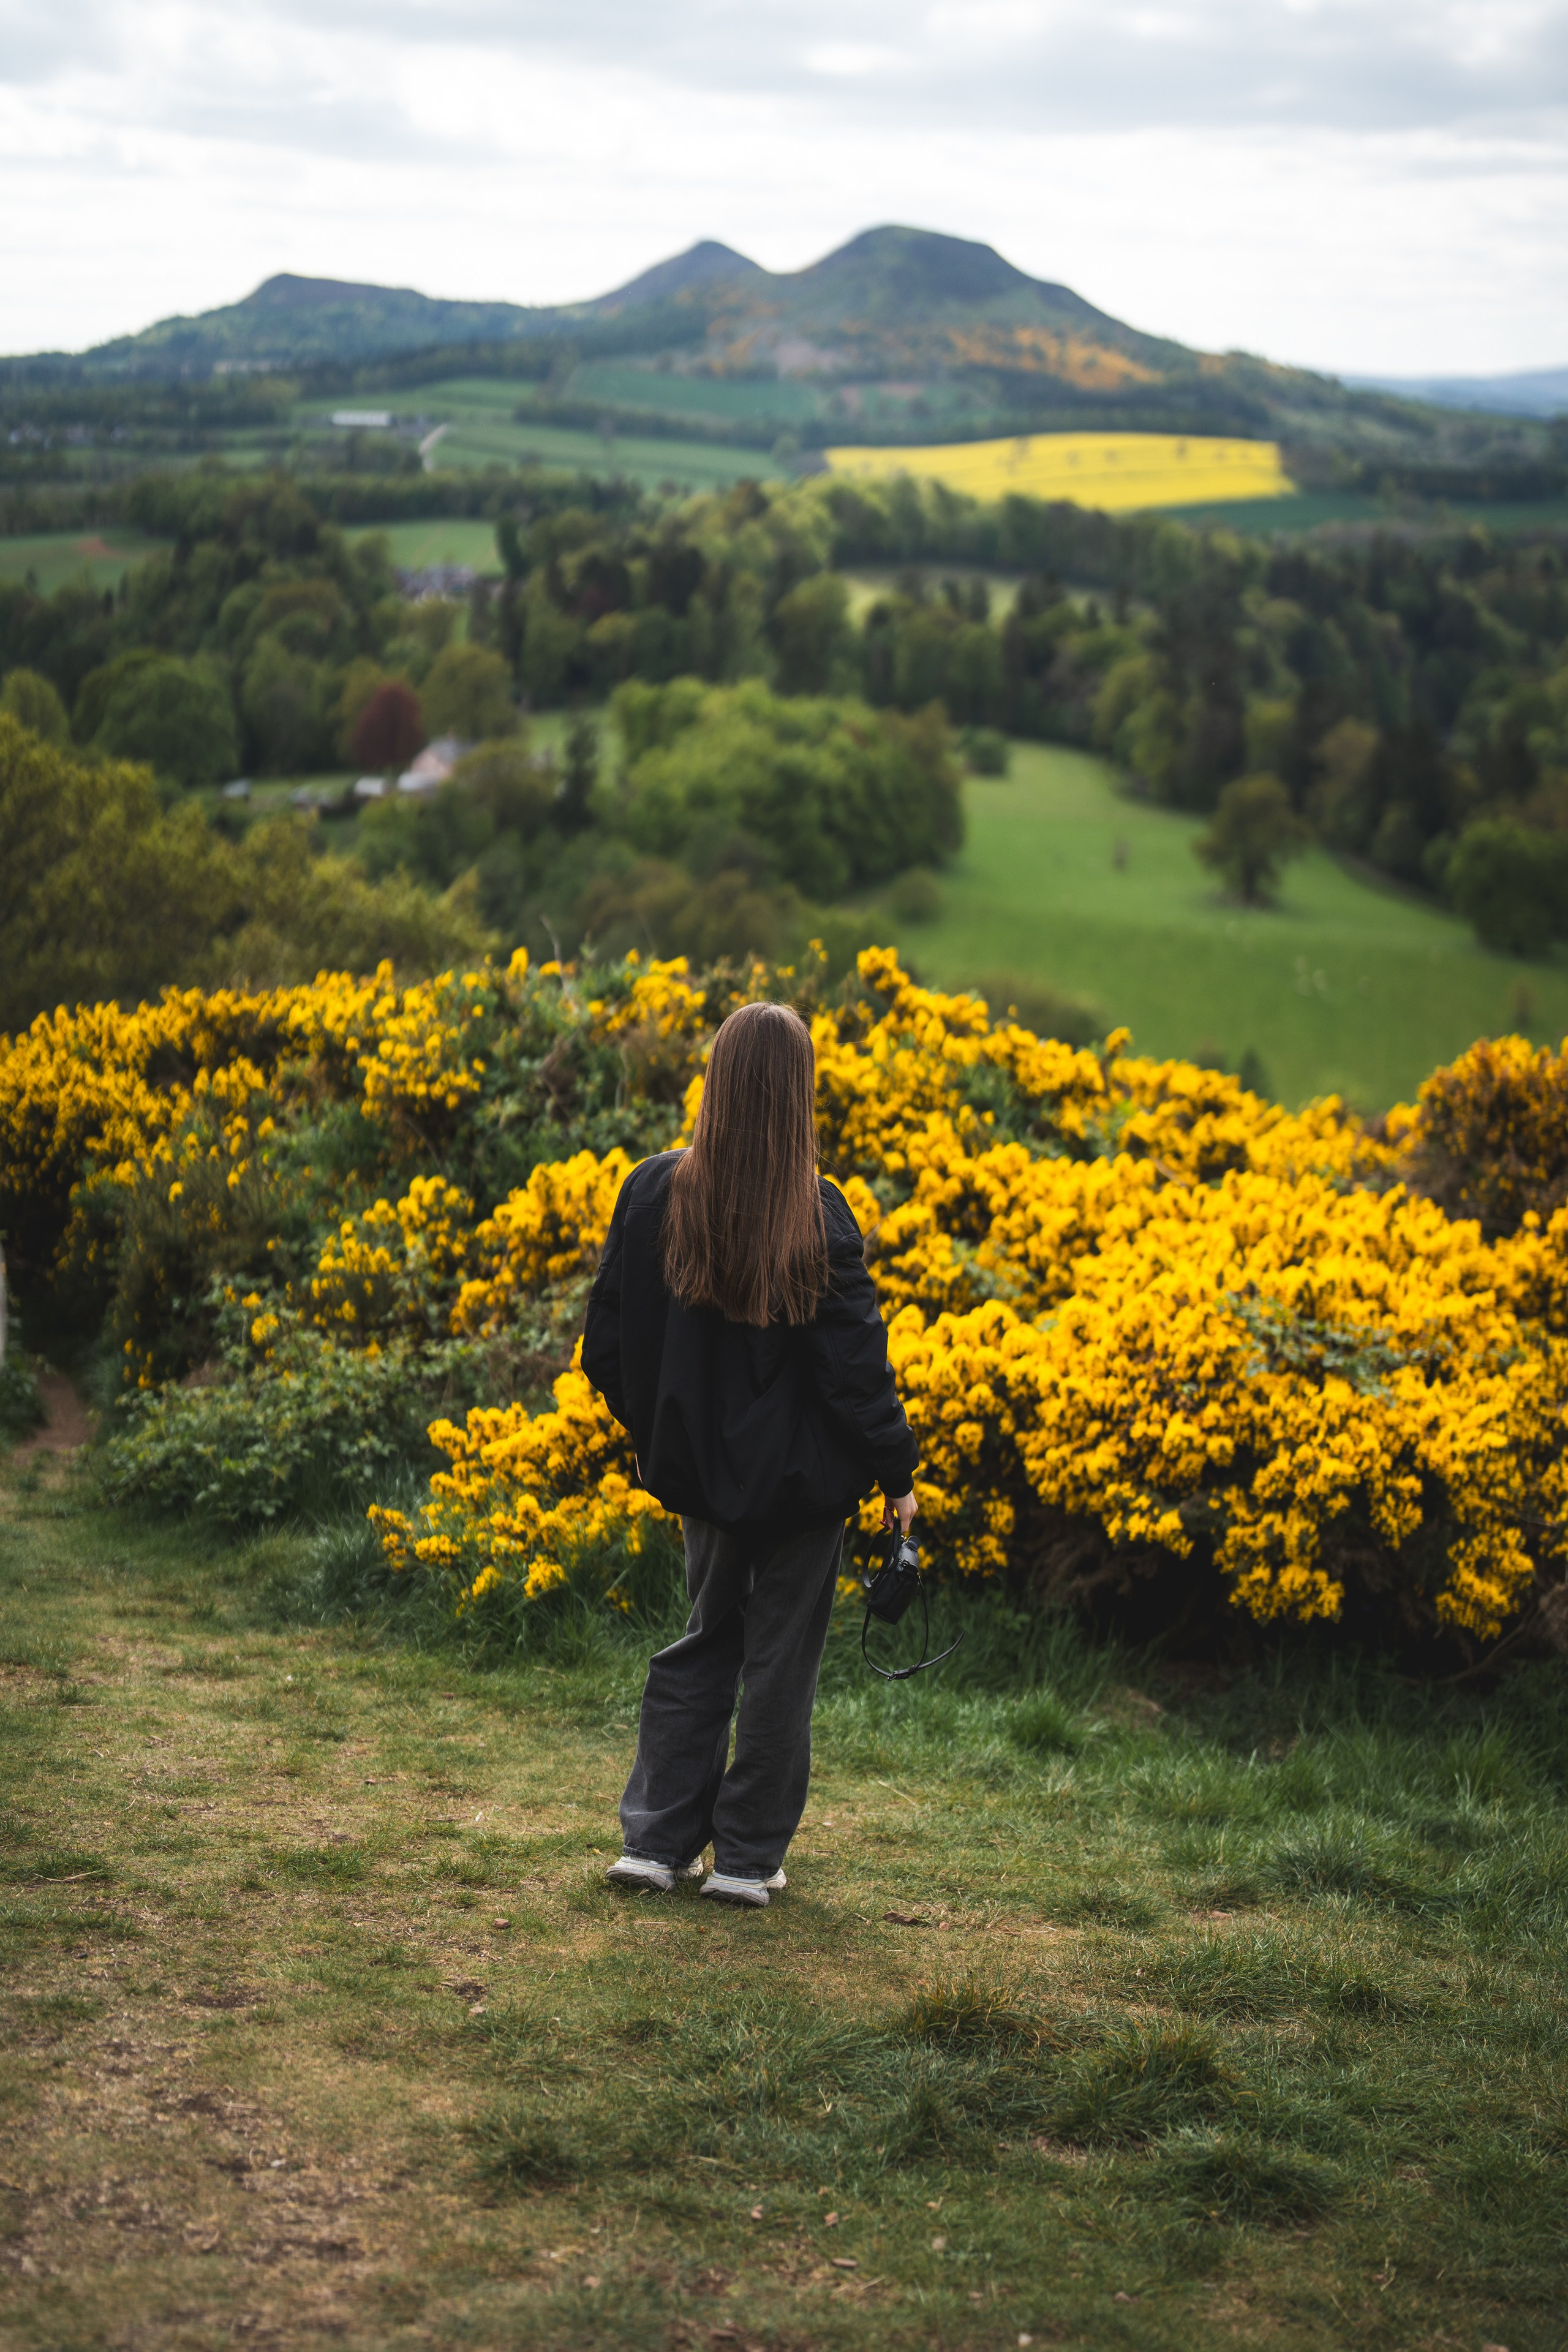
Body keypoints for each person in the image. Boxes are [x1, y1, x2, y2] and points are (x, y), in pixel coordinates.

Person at [581, 999, 919, 1909]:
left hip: (702, 1482)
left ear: (718, 1081)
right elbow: (856, 1372)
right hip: (805, 1490)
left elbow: (604, 1350)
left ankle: (654, 1846)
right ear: (797, 1093)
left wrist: (662, 1434)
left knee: (703, 1642)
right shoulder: (819, 1212)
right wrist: (898, 1475)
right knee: (778, 1664)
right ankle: (743, 1862)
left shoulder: (653, 1190)